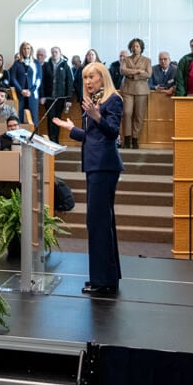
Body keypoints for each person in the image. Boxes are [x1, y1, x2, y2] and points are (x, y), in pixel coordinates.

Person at [53, 62, 124, 296]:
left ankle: (103, 281)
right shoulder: (95, 101)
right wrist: (72, 128)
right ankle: (108, 277)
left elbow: (112, 132)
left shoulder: (113, 100)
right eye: (84, 78)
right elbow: (92, 136)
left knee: (97, 223)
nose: (87, 82)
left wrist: (95, 115)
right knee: (101, 222)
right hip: (95, 165)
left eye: (91, 77)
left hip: (104, 166)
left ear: (103, 77)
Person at [119, 38, 152, 149]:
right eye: (133, 46)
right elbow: (122, 70)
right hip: (127, 89)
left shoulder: (147, 60)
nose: (135, 48)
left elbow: (148, 74)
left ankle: (135, 139)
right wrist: (138, 71)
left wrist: (132, 75)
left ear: (141, 47)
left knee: (139, 115)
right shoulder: (126, 59)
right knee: (127, 113)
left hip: (141, 90)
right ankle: (127, 139)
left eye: (137, 46)